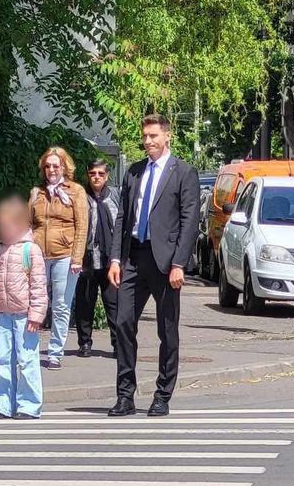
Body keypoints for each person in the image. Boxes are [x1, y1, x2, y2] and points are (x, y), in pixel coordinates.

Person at [108, 115, 200, 417]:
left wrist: (178, 264)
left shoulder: (183, 172)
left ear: (167, 136)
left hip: (164, 262)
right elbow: (123, 216)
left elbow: (189, 222)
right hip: (134, 256)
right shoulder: (135, 172)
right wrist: (116, 259)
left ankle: (162, 395)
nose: (148, 142)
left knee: (167, 329)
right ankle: (125, 396)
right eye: (145, 136)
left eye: (153, 136)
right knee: (122, 322)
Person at [0, 195, 47, 419]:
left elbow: (39, 286)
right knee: (3, 359)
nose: (3, 230)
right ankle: (0, 404)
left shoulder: (30, 250)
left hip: (25, 316)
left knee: (27, 360)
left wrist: (36, 314)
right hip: (4, 313)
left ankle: (29, 405)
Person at [30, 147, 88, 368]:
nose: (52, 169)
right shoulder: (37, 192)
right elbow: (30, 223)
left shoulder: (76, 191)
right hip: (38, 254)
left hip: (65, 254)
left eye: (56, 165)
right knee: (35, 302)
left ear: (64, 167)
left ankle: (55, 351)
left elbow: (82, 226)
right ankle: (31, 348)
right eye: (48, 166)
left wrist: (77, 258)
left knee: (61, 304)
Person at [74, 158, 119, 357]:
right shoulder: (81, 197)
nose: (96, 177)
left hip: (111, 260)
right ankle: (84, 343)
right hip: (87, 258)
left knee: (114, 304)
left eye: (101, 174)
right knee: (85, 303)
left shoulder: (115, 196)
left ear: (107, 176)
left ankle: (118, 344)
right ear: (88, 175)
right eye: (93, 173)